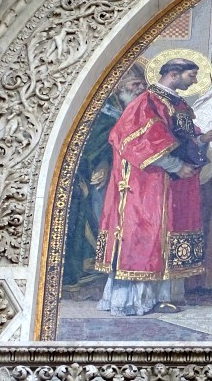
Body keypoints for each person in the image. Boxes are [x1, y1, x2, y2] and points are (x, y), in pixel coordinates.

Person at [95, 58, 212, 315]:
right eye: (191, 75)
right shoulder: (147, 102)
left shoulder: (178, 104)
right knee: (146, 234)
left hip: (171, 185)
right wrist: (176, 166)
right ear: (174, 74)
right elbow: (139, 142)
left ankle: (163, 296)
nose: (195, 81)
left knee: (167, 234)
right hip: (146, 183)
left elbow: (183, 140)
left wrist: (203, 138)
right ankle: (135, 300)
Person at [63, 64, 146, 291]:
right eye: (135, 84)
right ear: (119, 87)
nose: (140, 88)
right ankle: (98, 266)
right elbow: (91, 146)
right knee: (99, 213)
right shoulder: (104, 113)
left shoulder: (138, 109)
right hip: (93, 175)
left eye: (143, 84)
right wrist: (103, 163)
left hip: (131, 176)